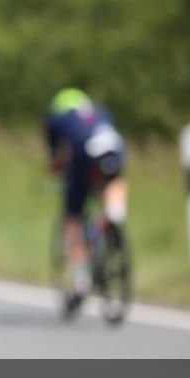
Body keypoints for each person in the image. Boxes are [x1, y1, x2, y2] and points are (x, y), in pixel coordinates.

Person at [45, 88, 128, 315]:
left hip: (83, 154)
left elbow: (56, 156)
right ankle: (113, 217)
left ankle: (81, 278)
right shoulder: (100, 110)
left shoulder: (56, 118)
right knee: (113, 180)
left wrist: (58, 168)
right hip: (113, 147)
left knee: (73, 218)